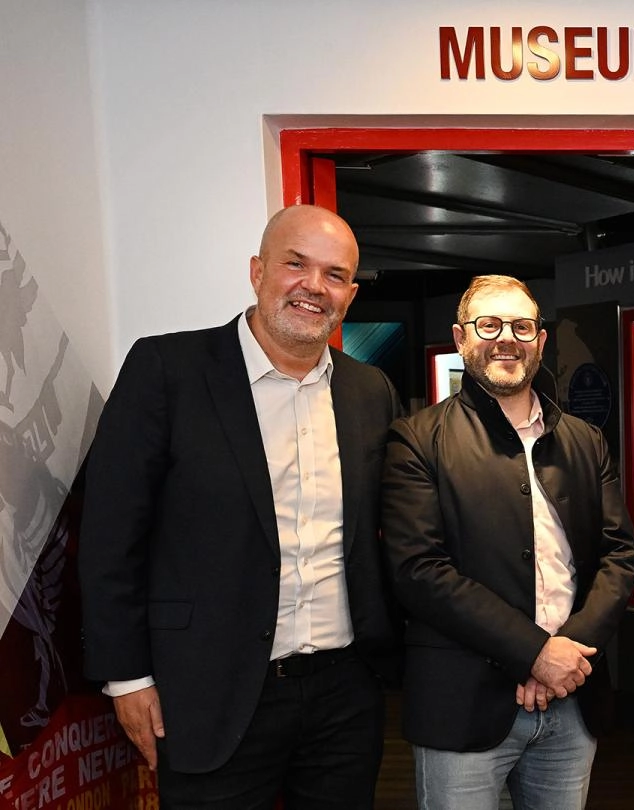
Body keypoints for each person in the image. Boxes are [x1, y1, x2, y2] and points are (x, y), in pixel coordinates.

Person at [78, 205, 402, 808]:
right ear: (257, 271)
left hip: (344, 696)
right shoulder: (166, 371)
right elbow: (110, 534)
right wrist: (126, 676)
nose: (313, 286)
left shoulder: (369, 391)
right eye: (295, 264)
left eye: (334, 275)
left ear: (349, 296)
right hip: (206, 691)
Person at [381, 275, 634, 810]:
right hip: (462, 706)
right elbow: (420, 571)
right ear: (460, 338)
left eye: (522, 326)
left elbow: (620, 555)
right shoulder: (417, 440)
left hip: (574, 697)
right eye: (489, 325)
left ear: (541, 341)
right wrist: (535, 653)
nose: (506, 338)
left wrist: (567, 656)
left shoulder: (586, 441)